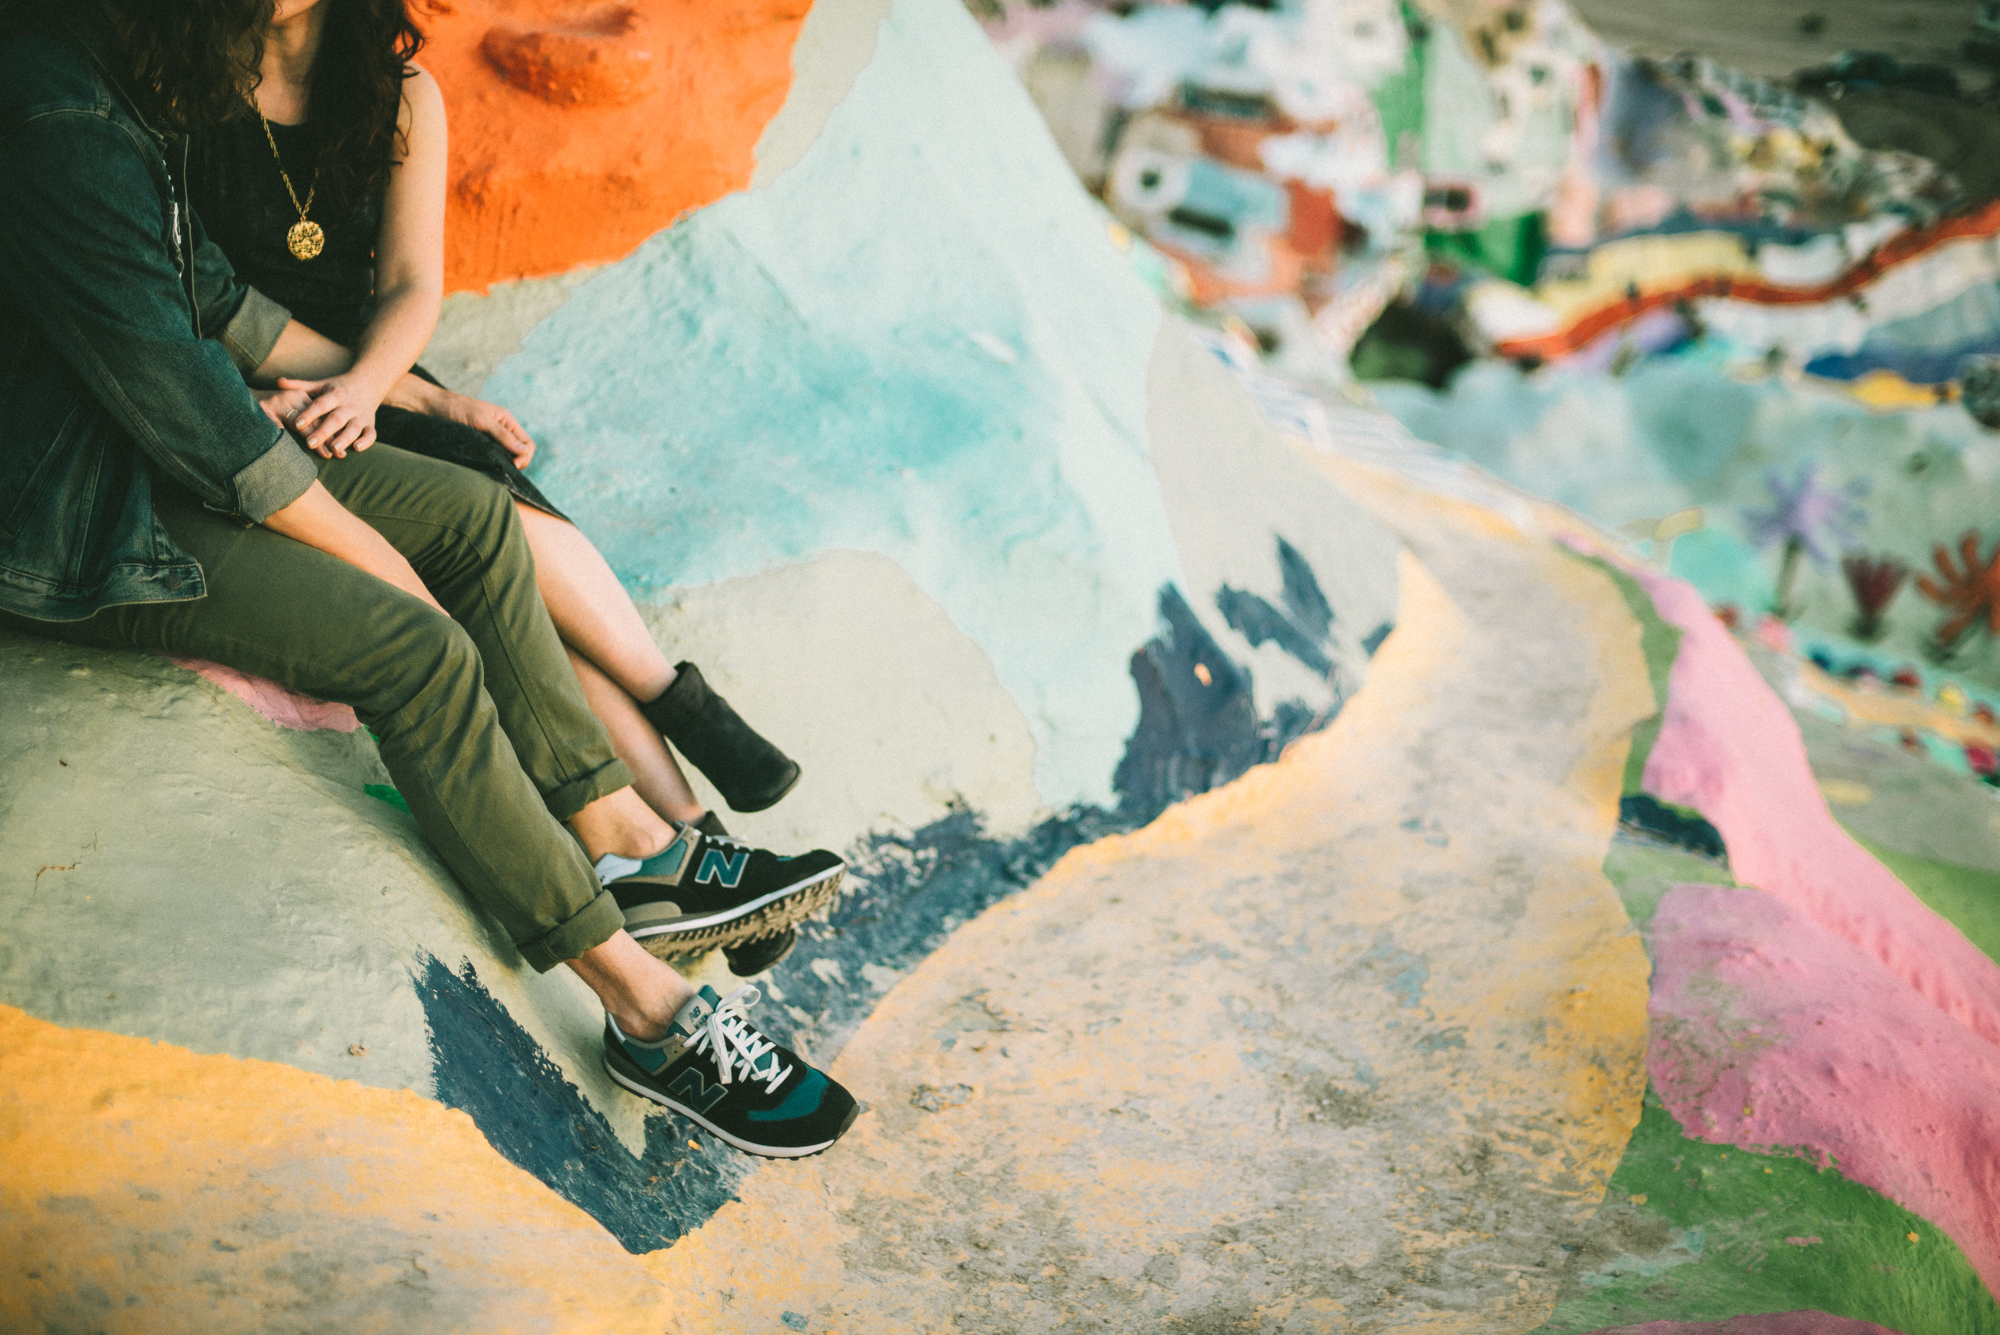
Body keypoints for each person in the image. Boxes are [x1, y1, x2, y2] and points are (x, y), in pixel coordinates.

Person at [0, 0, 855, 1159]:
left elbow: (212, 299)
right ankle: (647, 1012)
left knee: (470, 512)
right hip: (77, 507)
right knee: (416, 646)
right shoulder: (50, 98)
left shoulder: (132, 61)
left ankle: (620, 838)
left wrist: (418, 398)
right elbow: (200, 421)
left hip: (155, 435)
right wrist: (383, 569)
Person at [185, 0, 805, 975]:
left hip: (369, 371)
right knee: (505, 566)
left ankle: (690, 850)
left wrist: (386, 386)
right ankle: (693, 818)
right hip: (260, 392)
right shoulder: (178, 87)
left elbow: (411, 289)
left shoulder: (397, 94)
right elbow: (204, 302)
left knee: (512, 557)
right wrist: (380, 396)